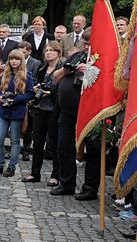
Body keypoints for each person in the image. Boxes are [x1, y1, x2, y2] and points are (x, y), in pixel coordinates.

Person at [51, 28, 100, 200]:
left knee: (93, 150)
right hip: (67, 111)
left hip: (91, 112)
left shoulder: (103, 60)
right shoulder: (76, 56)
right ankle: (66, 183)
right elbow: (55, 76)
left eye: (89, 44)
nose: (86, 47)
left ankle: (90, 188)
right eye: (85, 43)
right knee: (64, 146)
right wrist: (67, 71)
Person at [22, 42, 63, 185]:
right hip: (39, 109)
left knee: (54, 144)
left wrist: (51, 93)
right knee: (38, 142)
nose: (48, 53)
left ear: (58, 53)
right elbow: (37, 85)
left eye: (52, 50)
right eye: (47, 50)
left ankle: (55, 175)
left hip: (54, 110)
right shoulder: (42, 68)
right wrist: (36, 89)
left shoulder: (62, 69)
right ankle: (35, 173)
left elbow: (62, 90)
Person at [0, 50, 33, 177]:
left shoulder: (26, 75)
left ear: (21, 61)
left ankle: (11, 166)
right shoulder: (4, 75)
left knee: (14, 140)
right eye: (12, 59)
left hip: (17, 111)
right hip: (4, 110)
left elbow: (30, 94)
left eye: (17, 59)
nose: (14, 61)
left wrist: (15, 99)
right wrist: (1, 97)